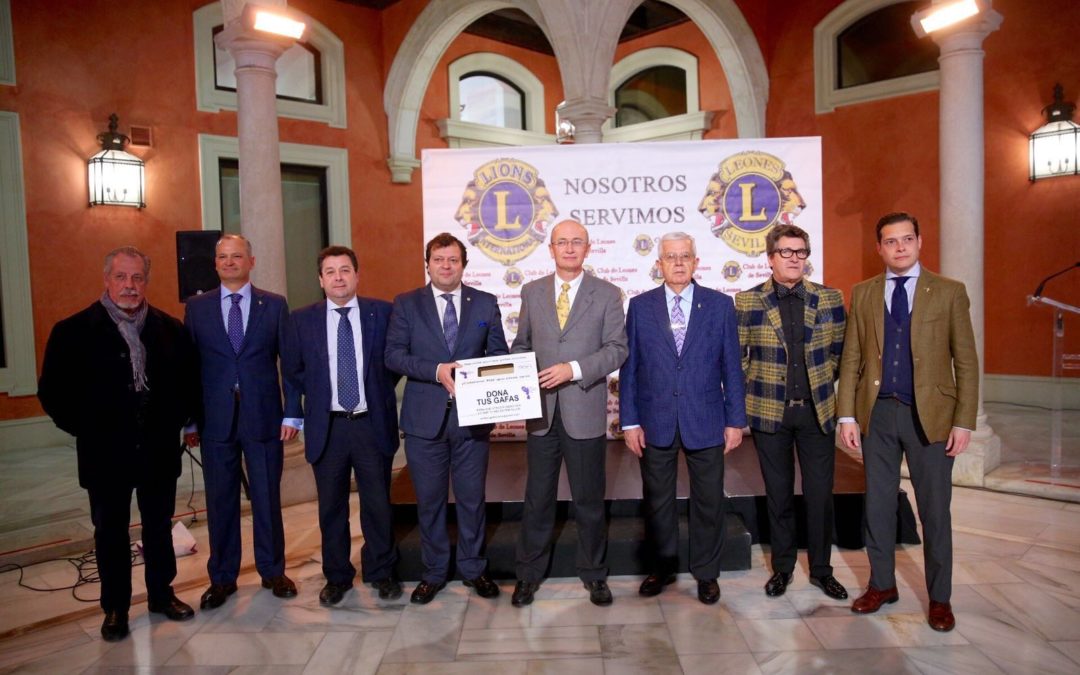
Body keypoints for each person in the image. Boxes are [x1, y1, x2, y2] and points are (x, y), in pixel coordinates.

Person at [38, 247, 199, 641]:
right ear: (107, 279)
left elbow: (188, 386)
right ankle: (116, 607)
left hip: (158, 450)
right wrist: (88, 429)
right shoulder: (72, 331)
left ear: (146, 280)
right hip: (104, 453)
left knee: (159, 527)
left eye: (137, 277)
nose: (130, 286)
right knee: (110, 531)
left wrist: (174, 423)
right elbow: (53, 394)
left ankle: (162, 595)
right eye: (121, 277)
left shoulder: (169, 329)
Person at [838, 212, 978, 632]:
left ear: (919, 242)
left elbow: (966, 362)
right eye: (890, 241)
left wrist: (964, 421)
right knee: (877, 506)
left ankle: (940, 598)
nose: (899, 247)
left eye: (906, 239)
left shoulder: (949, 292)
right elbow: (851, 358)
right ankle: (882, 584)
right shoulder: (863, 293)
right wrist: (847, 412)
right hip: (877, 414)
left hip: (931, 416)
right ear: (879, 247)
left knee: (934, 511)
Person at [620, 232, 746, 605]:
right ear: (658, 263)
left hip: (706, 418)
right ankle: (662, 568)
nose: (678, 263)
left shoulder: (720, 305)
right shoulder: (640, 307)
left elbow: (732, 368)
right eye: (670, 257)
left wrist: (735, 420)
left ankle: (706, 574)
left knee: (708, 501)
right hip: (655, 419)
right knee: (658, 500)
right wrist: (630, 421)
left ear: (696, 262)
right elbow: (631, 368)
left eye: (685, 256)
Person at [509, 219, 628, 608]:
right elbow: (521, 344)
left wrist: (572, 369)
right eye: (563, 242)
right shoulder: (532, 291)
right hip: (540, 415)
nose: (570, 248)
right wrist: (510, 373)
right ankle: (527, 576)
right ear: (551, 248)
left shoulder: (608, 294)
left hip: (584, 411)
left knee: (589, 501)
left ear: (588, 248)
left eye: (577, 242)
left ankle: (594, 575)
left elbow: (616, 349)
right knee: (537, 500)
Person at [386, 233, 508, 604]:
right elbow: (394, 356)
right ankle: (435, 571)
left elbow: (498, 354)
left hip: (473, 420)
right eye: (438, 259)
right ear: (428, 263)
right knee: (430, 501)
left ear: (464, 265)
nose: (445, 266)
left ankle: (474, 569)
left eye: (453, 260)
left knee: (472, 499)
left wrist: (487, 381)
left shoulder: (485, 304)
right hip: (424, 422)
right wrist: (436, 369)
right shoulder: (407, 304)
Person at [183, 234, 302, 609]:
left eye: (237, 256)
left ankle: (272, 570)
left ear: (251, 261)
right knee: (220, 502)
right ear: (215, 264)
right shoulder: (197, 308)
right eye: (223, 257)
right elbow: (188, 370)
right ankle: (222, 578)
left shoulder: (274, 305)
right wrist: (189, 422)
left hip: (265, 417)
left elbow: (291, 364)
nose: (230, 262)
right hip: (214, 420)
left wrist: (293, 411)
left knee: (267, 498)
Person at [735, 224, 848, 600]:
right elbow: (739, 358)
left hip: (818, 413)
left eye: (801, 252)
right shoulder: (748, 302)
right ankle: (782, 568)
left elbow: (840, 354)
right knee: (779, 495)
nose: (795, 259)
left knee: (820, 495)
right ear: (770, 258)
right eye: (786, 252)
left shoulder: (829, 299)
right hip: (771, 414)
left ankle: (821, 570)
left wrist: (823, 385)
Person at [290, 246, 403, 605]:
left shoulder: (382, 313)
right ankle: (337, 576)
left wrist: (380, 389)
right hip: (329, 427)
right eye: (330, 271)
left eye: (345, 270)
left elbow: (395, 360)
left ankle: (381, 570)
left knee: (377, 504)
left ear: (357, 274)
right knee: (331, 507)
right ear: (320, 280)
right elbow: (293, 372)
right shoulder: (301, 320)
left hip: (371, 424)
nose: (338, 277)